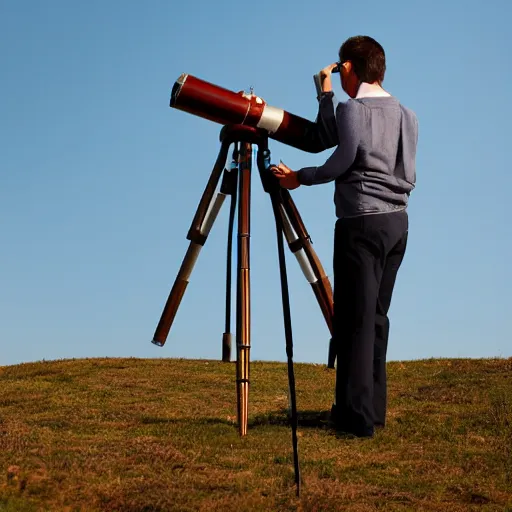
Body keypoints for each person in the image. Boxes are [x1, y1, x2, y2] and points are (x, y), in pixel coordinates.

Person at [272, 35, 418, 438]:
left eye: (341, 68)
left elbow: (339, 156)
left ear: (349, 68)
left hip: (360, 225)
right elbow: (406, 172)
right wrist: (327, 95)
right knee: (376, 318)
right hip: (397, 224)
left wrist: (300, 178)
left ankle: (354, 419)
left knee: (353, 318)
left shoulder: (353, 109)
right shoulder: (408, 115)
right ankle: (372, 412)